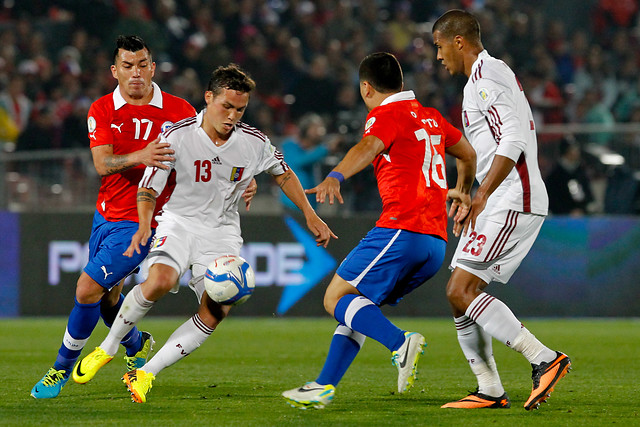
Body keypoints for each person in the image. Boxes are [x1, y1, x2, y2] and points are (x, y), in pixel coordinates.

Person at [73, 64, 337, 404]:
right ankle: (107, 348)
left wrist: (310, 214)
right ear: (208, 98)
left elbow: (283, 174)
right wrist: (143, 224)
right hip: (179, 222)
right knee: (161, 281)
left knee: (217, 309)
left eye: (239, 110)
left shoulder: (254, 142)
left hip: (222, 234)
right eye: (226, 106)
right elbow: (148, 189)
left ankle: (145, 374)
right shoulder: (176, 135)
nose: (232, 116)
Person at [30, 35, 255, 399]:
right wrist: (142, 155)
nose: (135, 73)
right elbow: (102, 165)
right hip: (106, 214)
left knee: (87, 289)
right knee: (107, 298)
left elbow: (214, 152)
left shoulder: (180, 110)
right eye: (127, 66)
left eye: (142, 65)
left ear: (152, 67)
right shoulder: (102, 109)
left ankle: (59, 369)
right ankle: (136, 344)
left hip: (149, 218)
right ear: (115, 71)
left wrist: (243, 180)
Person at [282, 52, 476, 409]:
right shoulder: (431, 117)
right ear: (401, 83)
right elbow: (467, 154)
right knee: (358, 305)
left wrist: (336, 175)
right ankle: (324, 385)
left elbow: (369, 146)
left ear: (366, 87)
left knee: (334, 299)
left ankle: (400, 342)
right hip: (434, 242)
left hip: (401, 230)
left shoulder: (387, 114)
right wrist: (462, 193)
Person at [432, 10, 571, 411]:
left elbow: (512, 139)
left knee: (461, 290)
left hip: (514, 197)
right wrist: (465, 190)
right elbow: (486, 146)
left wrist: (482, 194)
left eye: (440, 46)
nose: (438, 57)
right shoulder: (485, 76)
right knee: (458, 295)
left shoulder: (486, 78)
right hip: (499, 197)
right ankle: (489, 389)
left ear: (458, 41)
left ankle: (544, 358)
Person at [279, 113, 340, 210]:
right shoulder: (290, 145)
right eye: (316, 128)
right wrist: (326, 148)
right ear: (305, 129)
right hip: (292, 204)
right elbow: (299, 161)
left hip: (311, 204)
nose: (320, 131)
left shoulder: (315, 149)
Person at [546, 136, 593, 216]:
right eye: (573, 150)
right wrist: (568, 212)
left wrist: (582, 209)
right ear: (565, 152)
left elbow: (587, 196)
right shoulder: (555, 175)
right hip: (561, 219)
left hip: (582, 217)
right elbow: (552, 200)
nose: (577, 152)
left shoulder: (580, 172)